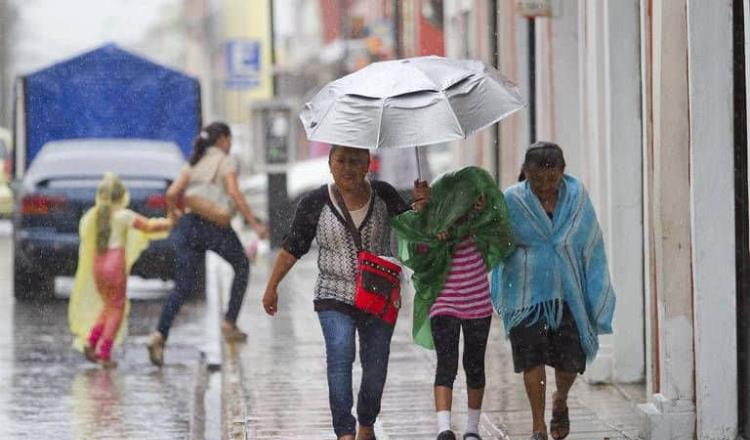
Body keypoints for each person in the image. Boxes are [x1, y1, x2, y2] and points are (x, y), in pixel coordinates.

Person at [261, 145, 424, 440]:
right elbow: (292, 247)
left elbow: (414, 231)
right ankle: (345, 432)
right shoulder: (315, 201)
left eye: (355, 161)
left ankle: (366, 424)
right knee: (340, 354)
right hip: (333, 293)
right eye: (341, 161)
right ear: (330, 164)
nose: (348, 167)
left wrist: (421, 208)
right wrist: (271, 287)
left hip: (378, 295)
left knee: (376, 364)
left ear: (367, 165)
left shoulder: (384, 195)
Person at [490, 142, 616, 440]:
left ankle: (560, 399)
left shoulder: (577, 198)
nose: (545, 186)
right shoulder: (512, 201)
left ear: (562, 172)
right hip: (524, 296)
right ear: (526, 173)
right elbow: (496, 243)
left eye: (551, 178)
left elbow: (592, 244)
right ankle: (538, 425)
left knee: (570, 360)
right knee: (531, 360)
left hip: (568, 292)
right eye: (536, 180)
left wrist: (596, 292)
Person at [391, 166, 515, 440]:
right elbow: (418, 253)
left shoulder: (481, 224)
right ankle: (444, 428)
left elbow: (501, 232)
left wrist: (482, 210)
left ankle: (471, 429)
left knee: (475, 364)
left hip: (478, 305)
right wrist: (423, 211)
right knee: (446, 363)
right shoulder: (434, 224)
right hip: (443, 304)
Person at [147, 121, 268, 366]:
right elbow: (234, 193)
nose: (231, 144)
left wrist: (173, 215)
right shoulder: (225, 160)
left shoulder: (193, 162)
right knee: (242, 266)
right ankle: (229, 322)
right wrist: (254, 222)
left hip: (189, 225)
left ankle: (160, 334)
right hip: (216, 227)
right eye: (229, 139)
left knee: (182, 286)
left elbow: (172, 193)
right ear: (222, 139)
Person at [69, 172, 172, 368]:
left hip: (98, 264)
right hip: (115, 264)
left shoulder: (95, 216)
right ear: (121, 195)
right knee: (117, 308)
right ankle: (104, 352)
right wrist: (170, 222)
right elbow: (148, 226)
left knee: (108, 306)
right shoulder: (124, 215)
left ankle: (91, 342)